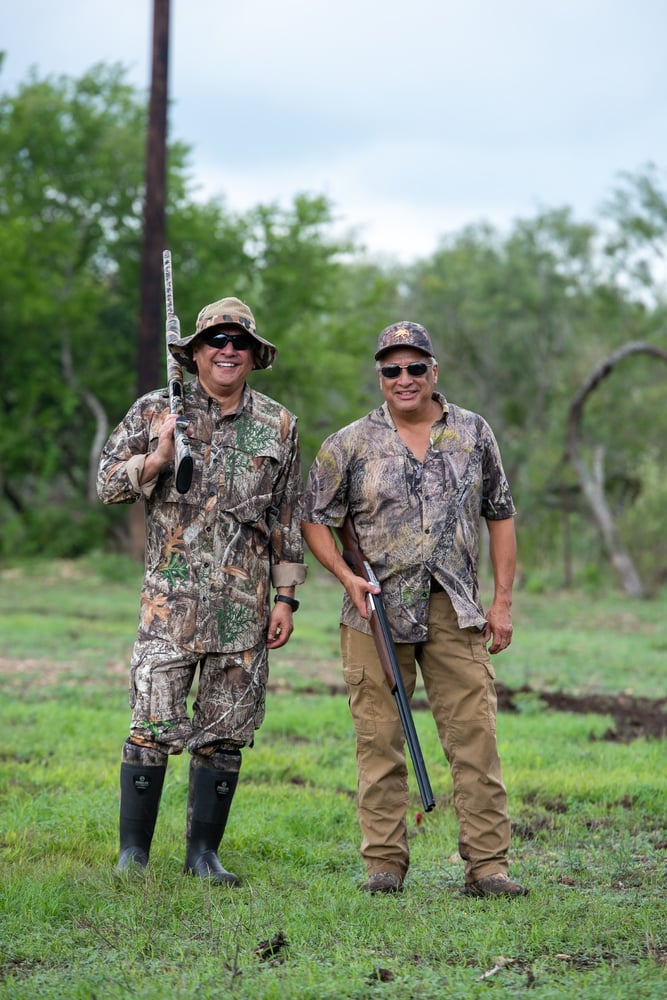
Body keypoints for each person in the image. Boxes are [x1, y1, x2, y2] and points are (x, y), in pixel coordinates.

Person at [301, 320, 527, 898]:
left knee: (475, 737)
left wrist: (501, 603)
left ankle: (488, 868)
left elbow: (500, 514)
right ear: (379, 376)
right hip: (374, 612)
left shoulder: (474, 433)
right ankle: (384, 866)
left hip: (455, 608)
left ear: (434, 371)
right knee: (378, 741)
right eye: (391, 370)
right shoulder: (347, 443)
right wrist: (347, 577)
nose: (404, 379)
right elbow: (314, 519)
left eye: (415, 368)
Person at [97, 296, 306, 884]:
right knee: (152, 726)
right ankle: (133, 855)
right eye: (216, 341)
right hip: (169, 609)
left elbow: (287, 519)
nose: (228, 350)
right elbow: (107, 485)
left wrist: (285, 599)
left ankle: (202, 856)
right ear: (194, 353)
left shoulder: (279, 425)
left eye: (239, 341)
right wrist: (158, 456)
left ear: (253, 354)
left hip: (244, 615)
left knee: (226, 731)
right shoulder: (155, 410)